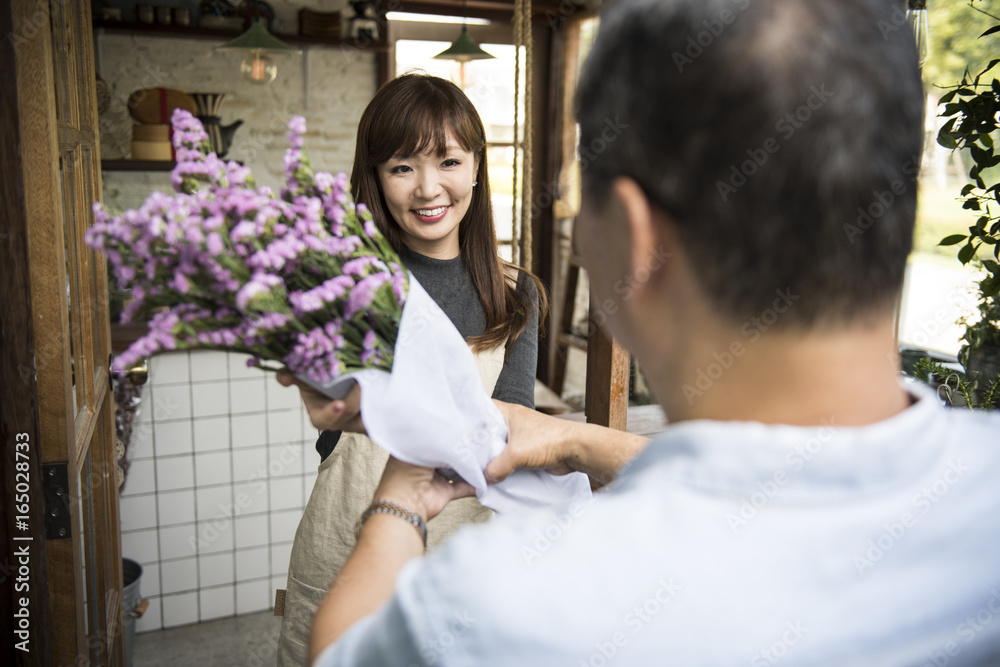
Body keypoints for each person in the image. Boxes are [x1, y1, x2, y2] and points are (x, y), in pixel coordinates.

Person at [308, 0, 1000, 664]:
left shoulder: (511, 608)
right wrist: (582, 440)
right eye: (403, 166)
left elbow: (343, 654)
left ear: (635, 247)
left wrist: (400, 494)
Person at [274, 73, 546, 666]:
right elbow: (330, 417)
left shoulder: (516, 293)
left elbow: (515, 432)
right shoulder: (342, 281)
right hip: (348, 542)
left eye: (448, 160)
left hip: (467, 554)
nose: (428, 188)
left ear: (477, 167)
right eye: (401, 167)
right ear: (374, 178)